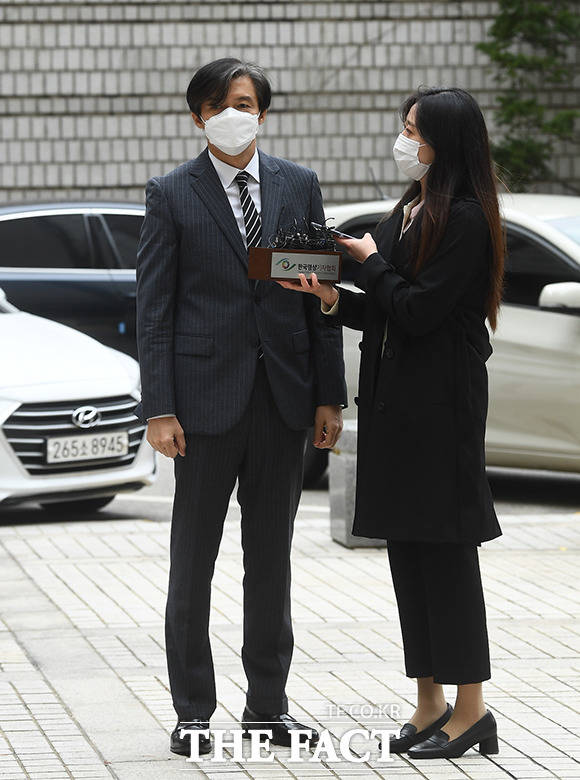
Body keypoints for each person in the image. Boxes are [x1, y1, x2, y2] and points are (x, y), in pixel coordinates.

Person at [278, 86, 505, 759]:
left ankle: (472, 710)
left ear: (446, 141)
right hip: (394, 406)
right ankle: (430, 701)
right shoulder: (411, 207)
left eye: (415, 129)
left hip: (441, 411)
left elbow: (419, 311)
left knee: (446, 556)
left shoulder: (466, 218)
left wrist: (367, 261)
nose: (404, 140)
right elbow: (386, 310)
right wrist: (330, 297)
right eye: (404, 126)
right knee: (407, 553)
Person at [133, 58, 347, 756]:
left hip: (283, 401)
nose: (235, 114)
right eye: (221, 105)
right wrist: (159, 407)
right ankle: (193, 711)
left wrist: (328, 395)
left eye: (247, 103)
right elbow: (155, 309)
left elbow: (316, 294)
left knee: (272, 562)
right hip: (201, 408)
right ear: (199, 116)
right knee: (193, 561)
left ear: (264, 112)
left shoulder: (298, 185)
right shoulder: (171, 193)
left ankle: (268, 709)